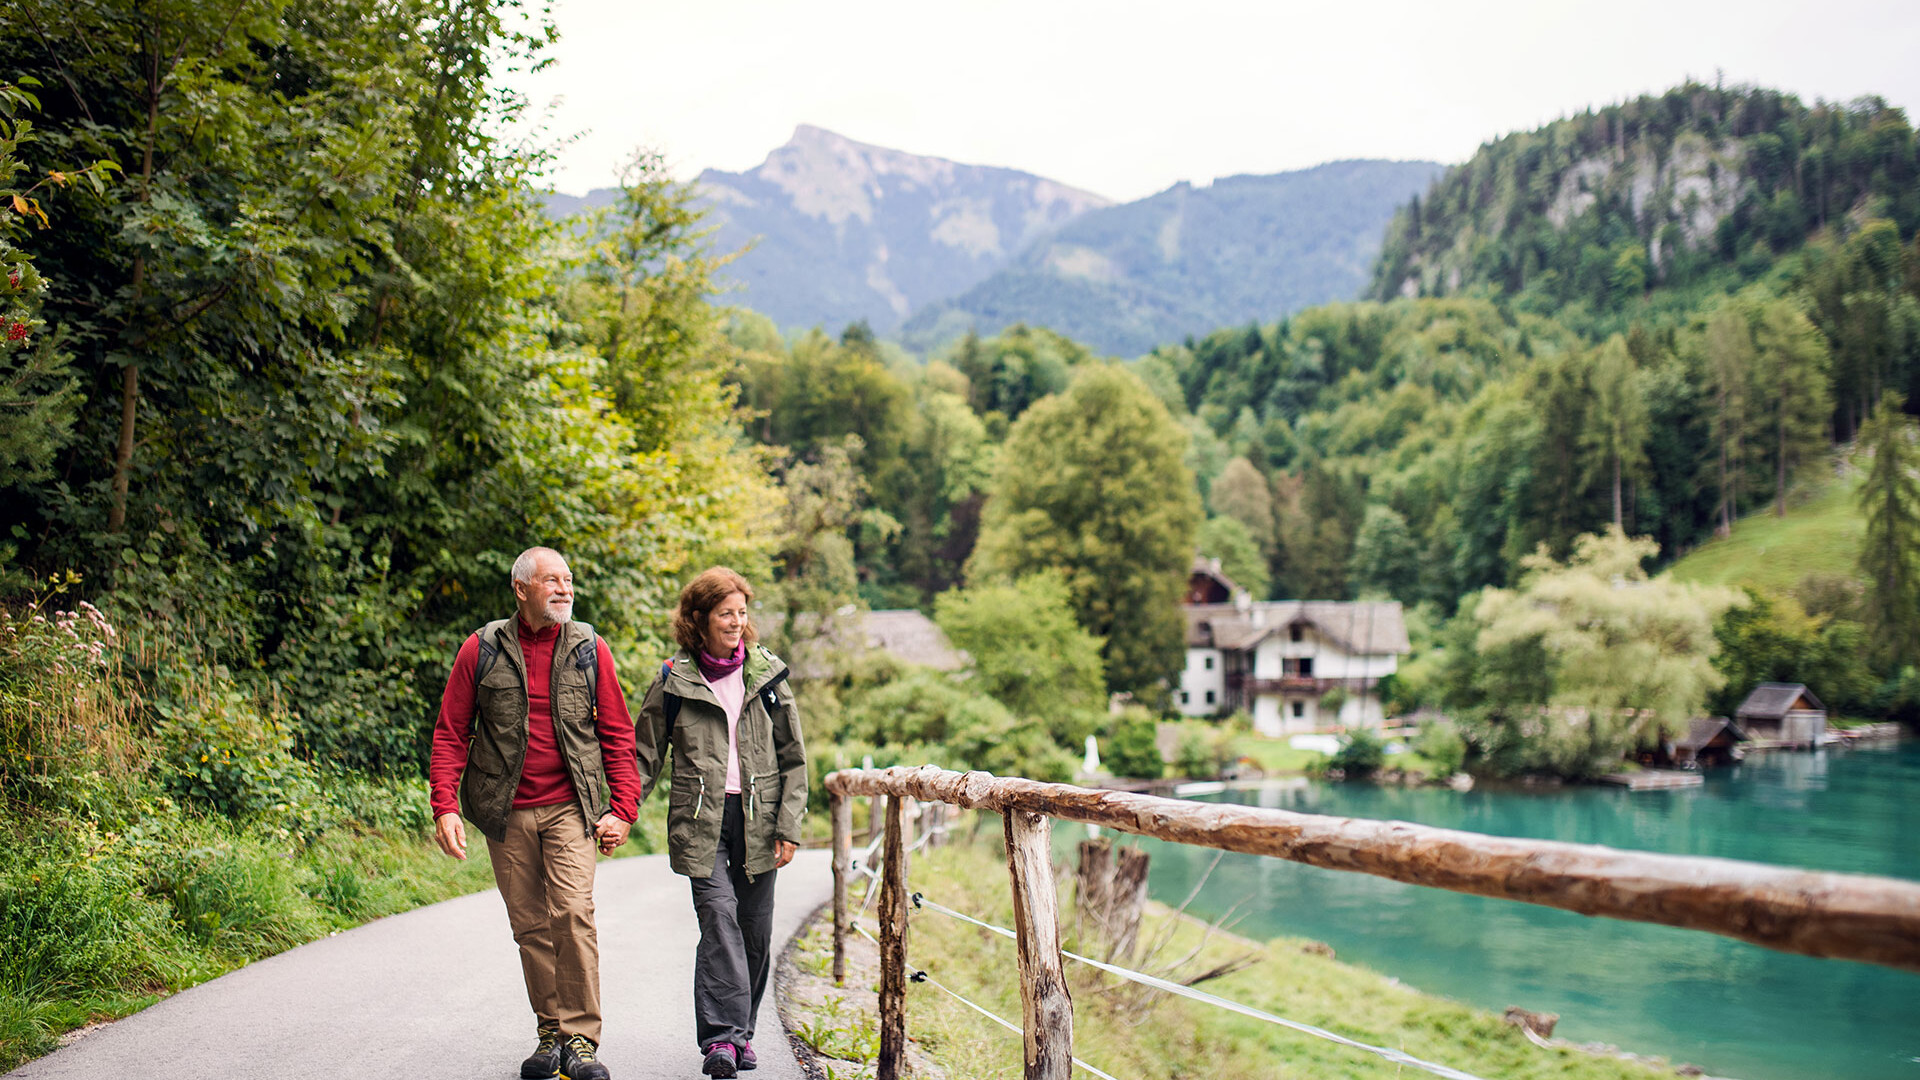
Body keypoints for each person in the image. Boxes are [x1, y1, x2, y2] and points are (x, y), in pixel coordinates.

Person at [429, 546, 640, 1080]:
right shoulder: (482, 649)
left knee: (572, 913)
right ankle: (551, 1032)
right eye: (552, 581)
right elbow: (452, 732)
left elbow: (617, 733)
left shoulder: (590, 647)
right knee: (530, 925)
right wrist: (444, 806)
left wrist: (623, 808)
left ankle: (581, 1041)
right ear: (521, 589)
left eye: (569, 580)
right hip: (506, 813)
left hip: (572, 809)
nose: (565, 589)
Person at [636, 567, 808, 1078]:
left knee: (754, 929)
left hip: (761, 817)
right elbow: (644, 755)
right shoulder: (674, 679)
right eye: (725, 613)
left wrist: (789, 824)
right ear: (699, 619)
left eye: (742, 613)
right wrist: (619, 810)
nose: (736, 622)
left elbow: (794, 758)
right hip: (701, 818)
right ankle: (722, 1041)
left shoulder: (767, 675)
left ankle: (741, 1031)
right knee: (719, 919)